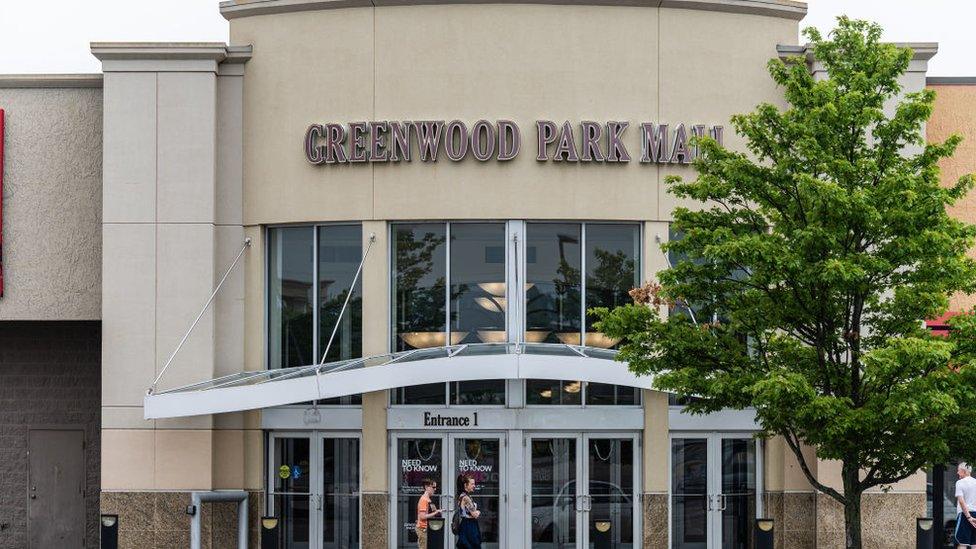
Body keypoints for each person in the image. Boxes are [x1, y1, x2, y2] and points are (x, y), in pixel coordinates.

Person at [456, 474, 482, 549]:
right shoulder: (466, 498)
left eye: (474, 484)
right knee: (472, 545)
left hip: (465, 524)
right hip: (469, 525)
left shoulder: (462, 495)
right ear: (465, 485)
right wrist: (478, 511)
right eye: (472, 484)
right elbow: (475, 514)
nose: (474, 486)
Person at [416, 478, 441, 549]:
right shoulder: (423, 500)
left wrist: (438, 511)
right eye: (433, 487)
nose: (435, 489)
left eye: (435, 487)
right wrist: (435, 512)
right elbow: (422, 516)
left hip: (427, 528)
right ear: (426, 487)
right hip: (423, 529)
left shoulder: (428, 499)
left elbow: (431, 511)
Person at [955, 463, 976, 549]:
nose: (957, 472)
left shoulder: (960, 483)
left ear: (963, 471)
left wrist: (968, 517)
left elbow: (961, 501)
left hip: (964, 515)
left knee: (962, 543)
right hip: (975, 513)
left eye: (958, 471)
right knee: (974, 543)